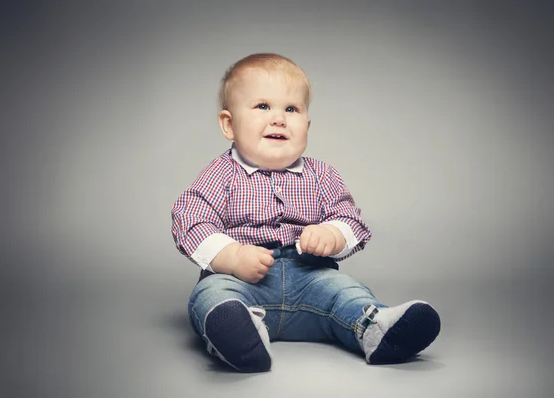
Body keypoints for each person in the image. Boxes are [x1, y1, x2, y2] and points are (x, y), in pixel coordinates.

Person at [171, 53, 440, 372]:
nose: (279, 119)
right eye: (262, 106)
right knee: (211, 294)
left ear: (307, 124)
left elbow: (352, 220)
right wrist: (231, 256)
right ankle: (240, 334)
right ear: (229, 124)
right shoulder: (221, 174)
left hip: (310, 277)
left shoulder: (322, 175)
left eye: (291, 109)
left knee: (346, 292)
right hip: (241, 279)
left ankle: (377, 329)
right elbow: (189, 218)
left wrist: (332, 235)